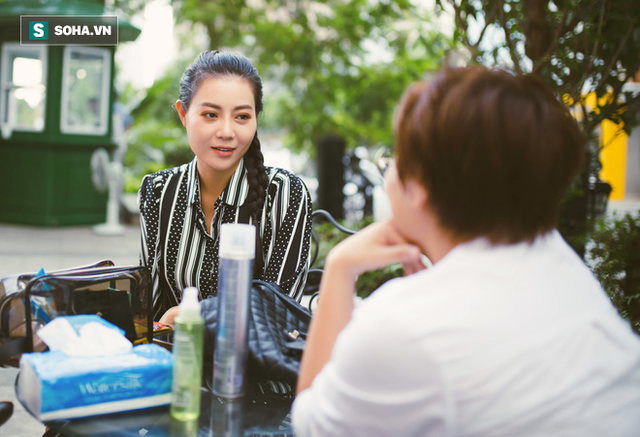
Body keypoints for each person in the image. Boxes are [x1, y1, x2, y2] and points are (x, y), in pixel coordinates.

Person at [293, 67, 640, 436]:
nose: (389, 172)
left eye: (395, 157)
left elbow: (311, 423)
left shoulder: (403, 326)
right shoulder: (560, 262)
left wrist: (339, 268)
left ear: (421, 185)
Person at [138, 50, 312, 322]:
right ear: (183, 114)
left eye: (242, 117)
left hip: (253, 362)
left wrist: (191, 314)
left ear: (256, 118)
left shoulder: (285, 194)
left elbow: (279, 311)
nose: (227, 132)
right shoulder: (159, 190)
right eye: (210, 114)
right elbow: (147, 307)